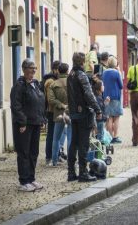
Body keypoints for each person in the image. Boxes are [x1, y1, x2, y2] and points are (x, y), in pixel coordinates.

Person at [10, 59, 46, 192]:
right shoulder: (19, 86)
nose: (33, 72)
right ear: (24, 69)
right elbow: (16, 106)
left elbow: (40, 103)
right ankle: (24, 181)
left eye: (34, 69)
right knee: (23, 152)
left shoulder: (35, 84)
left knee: (33, 152)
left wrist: (42, 119)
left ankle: (31, 178)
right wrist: (22, 122)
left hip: (35, 122)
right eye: (31, 69)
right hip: (24, 125)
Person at [67, 52, 101, 182]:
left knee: (73, 143)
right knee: (83, 144)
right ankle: (83, 173)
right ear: (83, 62)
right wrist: (97, 109)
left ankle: (71, 172)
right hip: (83, 114)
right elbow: (89, 94)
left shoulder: (71, 75)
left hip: (74, 113)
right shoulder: (81, 75)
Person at [47, 63, 72, 168]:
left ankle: (54, 161)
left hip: (58, 113)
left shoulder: (53, 84)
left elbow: (51, 100)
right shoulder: (72, 82)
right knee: (71, 138)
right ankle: (71, 161)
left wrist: (61, 105)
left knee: (56, 138)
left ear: (58, 71)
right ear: (67, 71)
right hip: (71, 113)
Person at [41, 60, 60, 165]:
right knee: (51, 134)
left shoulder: (55, 80)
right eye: (58, 69)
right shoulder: (50, 81)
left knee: (56, 135)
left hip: (56, 110)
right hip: (51, 111)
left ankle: (56, 155)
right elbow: (50, 99)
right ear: (54, 69)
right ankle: (49, 157)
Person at [102, 56, 124, 143]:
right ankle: (115, 136)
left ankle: (110, 137)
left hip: (106, 96)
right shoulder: (116, 73)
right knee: (116, 117)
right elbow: (121, 86)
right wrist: (119, 72)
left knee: (109, 118)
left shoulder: (104, 72)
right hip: (116, 97)